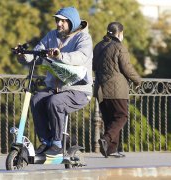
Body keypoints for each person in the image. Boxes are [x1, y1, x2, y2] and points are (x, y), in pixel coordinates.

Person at [17, 6, 93, 156]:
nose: (58, 24)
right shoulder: (52, 36)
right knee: (37, 99)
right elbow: (38, 53)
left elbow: (81, 57)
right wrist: (23, 55)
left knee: (55, 102)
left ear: (72, 22)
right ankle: (46, 141)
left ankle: (57, 144)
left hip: (78, 90)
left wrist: (60, 56)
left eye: (62, 21)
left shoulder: (84, 38)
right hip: (55, 88)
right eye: (57, 20)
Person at [93, 22, 141, 158]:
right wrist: (138, 80)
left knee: (109, 119)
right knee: (121, 115)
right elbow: (127, 68)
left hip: (100, 88)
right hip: (116, 89)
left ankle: (111, 150)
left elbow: (93, 66)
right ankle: (106, 139)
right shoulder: (119, 47)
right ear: (120, 33)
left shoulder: (98, 46)